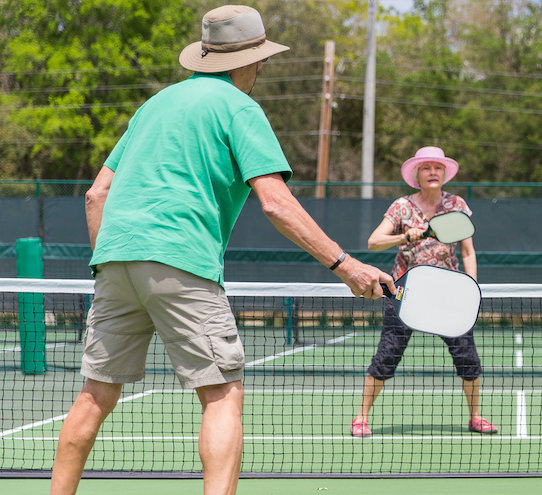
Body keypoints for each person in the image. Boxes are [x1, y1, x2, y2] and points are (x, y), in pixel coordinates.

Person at [48, 6, 395, 495]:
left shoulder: (155, 105)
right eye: (261, 61)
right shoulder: (240, 107)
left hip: (113, 259)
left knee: (96, 396)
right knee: (222, 395)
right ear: (249, 61)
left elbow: (96, 195)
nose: (260, 69)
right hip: (181, 260)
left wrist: (111, 264)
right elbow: (275, 202)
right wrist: (346, 265)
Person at [351, 146, 499, 436]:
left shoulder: (456, 204)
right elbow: (373, 242)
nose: (433, 172)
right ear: (416, 175)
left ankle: (476, 417)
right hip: (404, 292)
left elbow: (467, 252)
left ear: (444, 174)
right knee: (387, 356)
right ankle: (361, 417)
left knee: (467, 357)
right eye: (426, 167)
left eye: (438, 167)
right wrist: (406, 235)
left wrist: (472, 290)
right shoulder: (401, 207)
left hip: (449, 294)